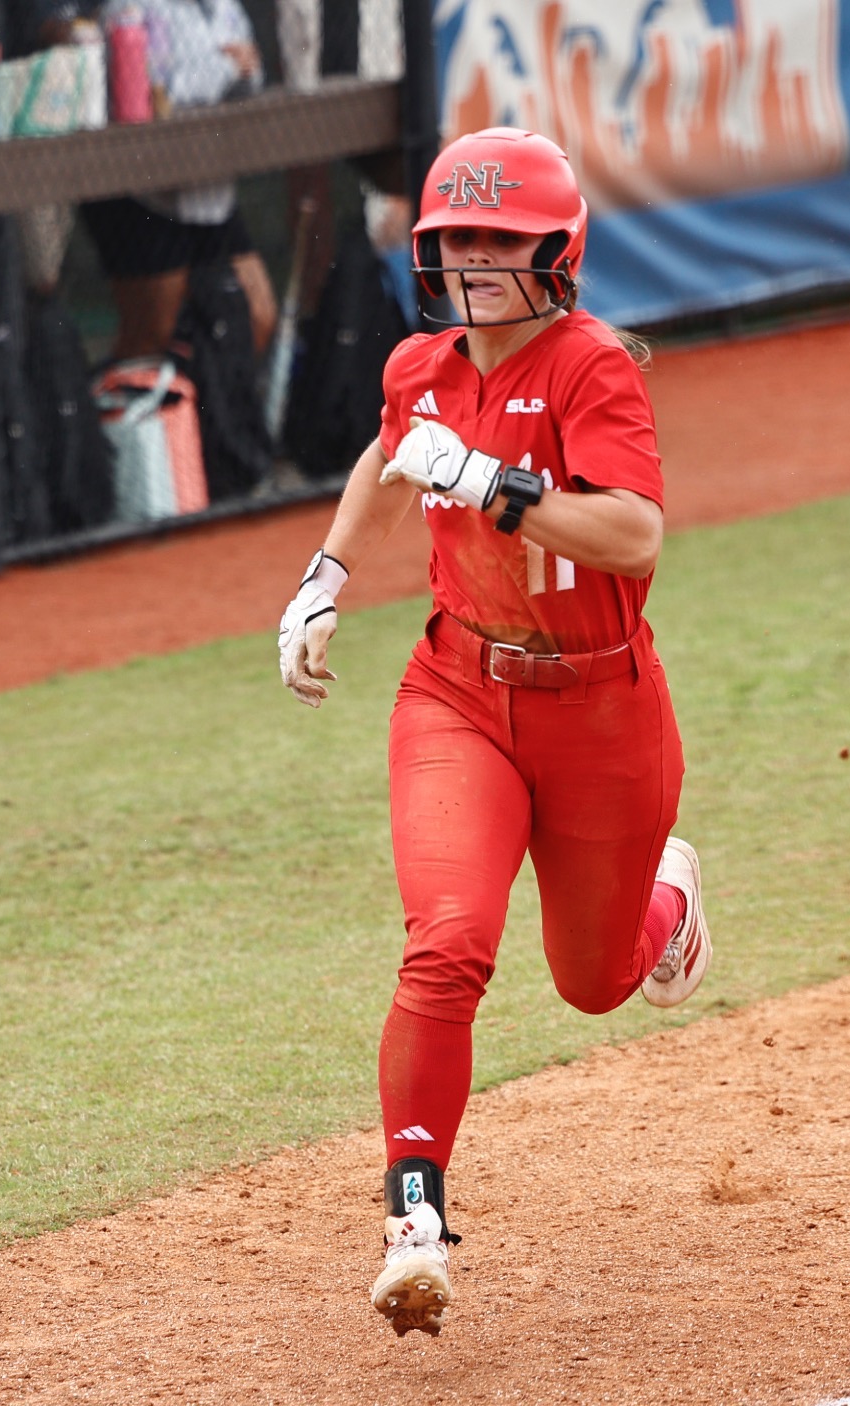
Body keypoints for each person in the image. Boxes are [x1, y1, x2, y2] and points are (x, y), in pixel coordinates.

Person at [274, 127, 711, 1338]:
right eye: (456, 236)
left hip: (600, 708)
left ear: (555, 251)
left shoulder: (590, 367)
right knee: (447, 942)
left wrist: (493, 484)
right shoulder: (420, 364)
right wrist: (323, 576)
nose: (474, 258)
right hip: (456, 692)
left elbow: (634, 534)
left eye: (499, 238)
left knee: (592, 981)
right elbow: (388, 453)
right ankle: (413, 1217)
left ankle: (667, 903)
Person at [79, 0, 276, 360]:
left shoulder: (223, 7)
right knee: (153, 334)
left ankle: (200, 394)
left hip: (210, 187)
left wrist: (237, 70)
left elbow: (251, 72)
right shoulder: (128, 11)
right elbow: (159, 94)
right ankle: (117, 395)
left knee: (257, 317)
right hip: (144, 192)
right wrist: (226, 66)